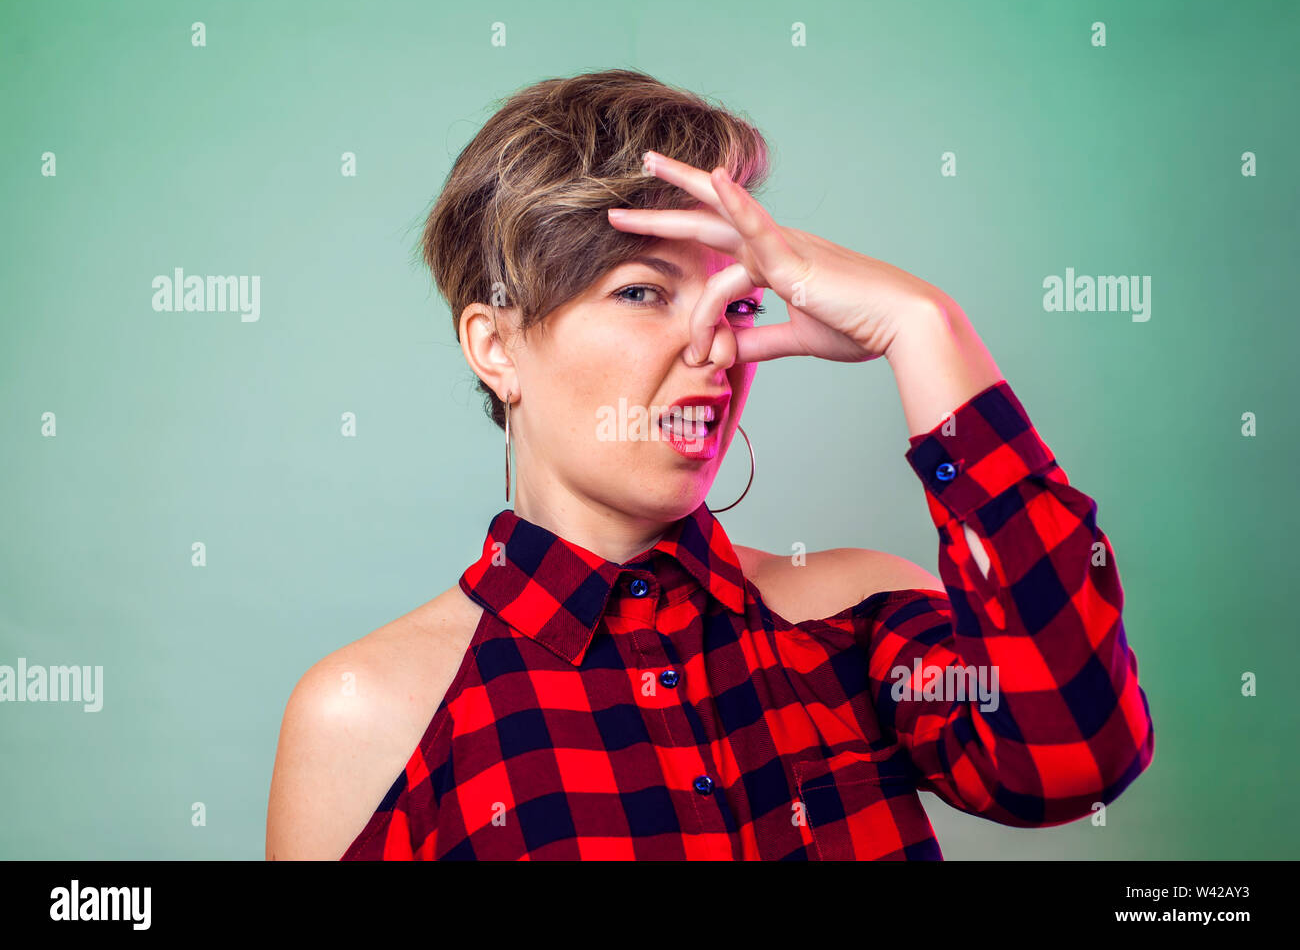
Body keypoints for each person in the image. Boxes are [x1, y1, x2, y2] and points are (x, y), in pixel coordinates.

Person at [265, 69, 1154, 860]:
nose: (715, 350)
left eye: (736, 306)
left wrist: (922, 326)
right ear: (495, 346)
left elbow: (1074, 755)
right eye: (644, 292)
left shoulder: (853, 617)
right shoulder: (367, 712)